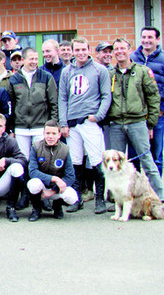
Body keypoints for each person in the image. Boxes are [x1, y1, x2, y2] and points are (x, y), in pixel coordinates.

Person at [108, 37, 164, 203]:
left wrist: (151, 123)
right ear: (113, 53)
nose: (119, 52)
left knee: (147, 160)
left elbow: (153, 97)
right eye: (116, 49)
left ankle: (160, 197)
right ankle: (117, 199)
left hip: (137, 122)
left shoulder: (142, 71)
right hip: (116, 124)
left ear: (129, 50)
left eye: (123, 48)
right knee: (115, 165)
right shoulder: (110, 74)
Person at [58, 37, 111, 213]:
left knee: (97, 161)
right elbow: (63, 98)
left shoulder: (99, 70)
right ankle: (78, 198)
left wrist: (98, 116)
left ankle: (100, 199)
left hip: (90, 121)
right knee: (76, 162)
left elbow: (106, 95)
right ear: (72, 51)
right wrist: (63, 123)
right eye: (77, 50)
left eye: (83, 49)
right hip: (72, 124)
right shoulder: (67, 71)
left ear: (88, 50)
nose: (80, 53)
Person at [130, 26, 164, 177]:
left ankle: (155, 194)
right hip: (136, 116)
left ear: (157, 39)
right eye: (144, 37)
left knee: (155, 156)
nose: (146, 41)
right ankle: (136, 192)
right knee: (135, 156)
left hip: (157, 117)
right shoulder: (133, 58)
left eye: (150, 37)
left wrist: (161, 110)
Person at [6, 48, 58, 158]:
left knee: (40, 159)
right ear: (23, 60)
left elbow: (54, 103)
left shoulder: (46, 77)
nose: (34, 62)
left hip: (41, 126)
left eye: (36, 59)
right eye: (31, 59)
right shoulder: (14, 79)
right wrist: (12, 127)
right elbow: (11, 105)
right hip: (21, 128)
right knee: (23, 159)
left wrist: (52, 125)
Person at [27, 120, 77, 221]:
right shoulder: (36, 147)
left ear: (59, 135)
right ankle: (36, 208)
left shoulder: (65, 150)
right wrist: (54, 179)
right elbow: (32, 171)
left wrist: (54, 190)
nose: (50, 136)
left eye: (54, 133)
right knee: (33, 184)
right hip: (42, 186)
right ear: (43, 133)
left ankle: (57, 206)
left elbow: (70, 176)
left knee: (72, 197)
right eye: (48, 133)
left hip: (56, 188)